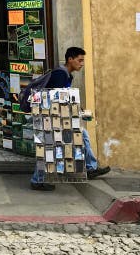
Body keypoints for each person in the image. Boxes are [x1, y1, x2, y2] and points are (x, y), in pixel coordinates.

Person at [30, 46, 110, 192]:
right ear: (70, 59)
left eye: (83, 60)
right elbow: (57, 98)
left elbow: (66, 97)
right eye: (79, 60)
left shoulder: (67, 75)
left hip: (57, 116)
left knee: (82, 135)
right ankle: (37, 180)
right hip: (51, 117)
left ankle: (91, 167)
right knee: (49, 147)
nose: (82, 63)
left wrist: (79, 111)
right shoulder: (61, 74)